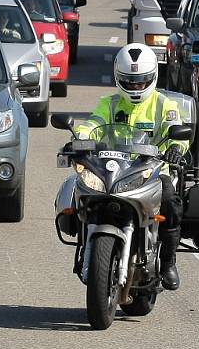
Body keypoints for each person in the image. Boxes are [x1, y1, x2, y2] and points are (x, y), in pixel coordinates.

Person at [74, 43, 189, 291]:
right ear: (119, 78)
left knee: (170, 201)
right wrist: (80, 139)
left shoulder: (164, 105)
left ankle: (168, 262)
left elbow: (178, 133)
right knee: (79, 188)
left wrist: (176, 149)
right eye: (129, 81)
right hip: (117, 168)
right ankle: (85, 241)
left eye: (141, 81)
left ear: (153, 77)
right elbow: (93, 123)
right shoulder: (110, 103)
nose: (136, 87)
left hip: (154, 170)